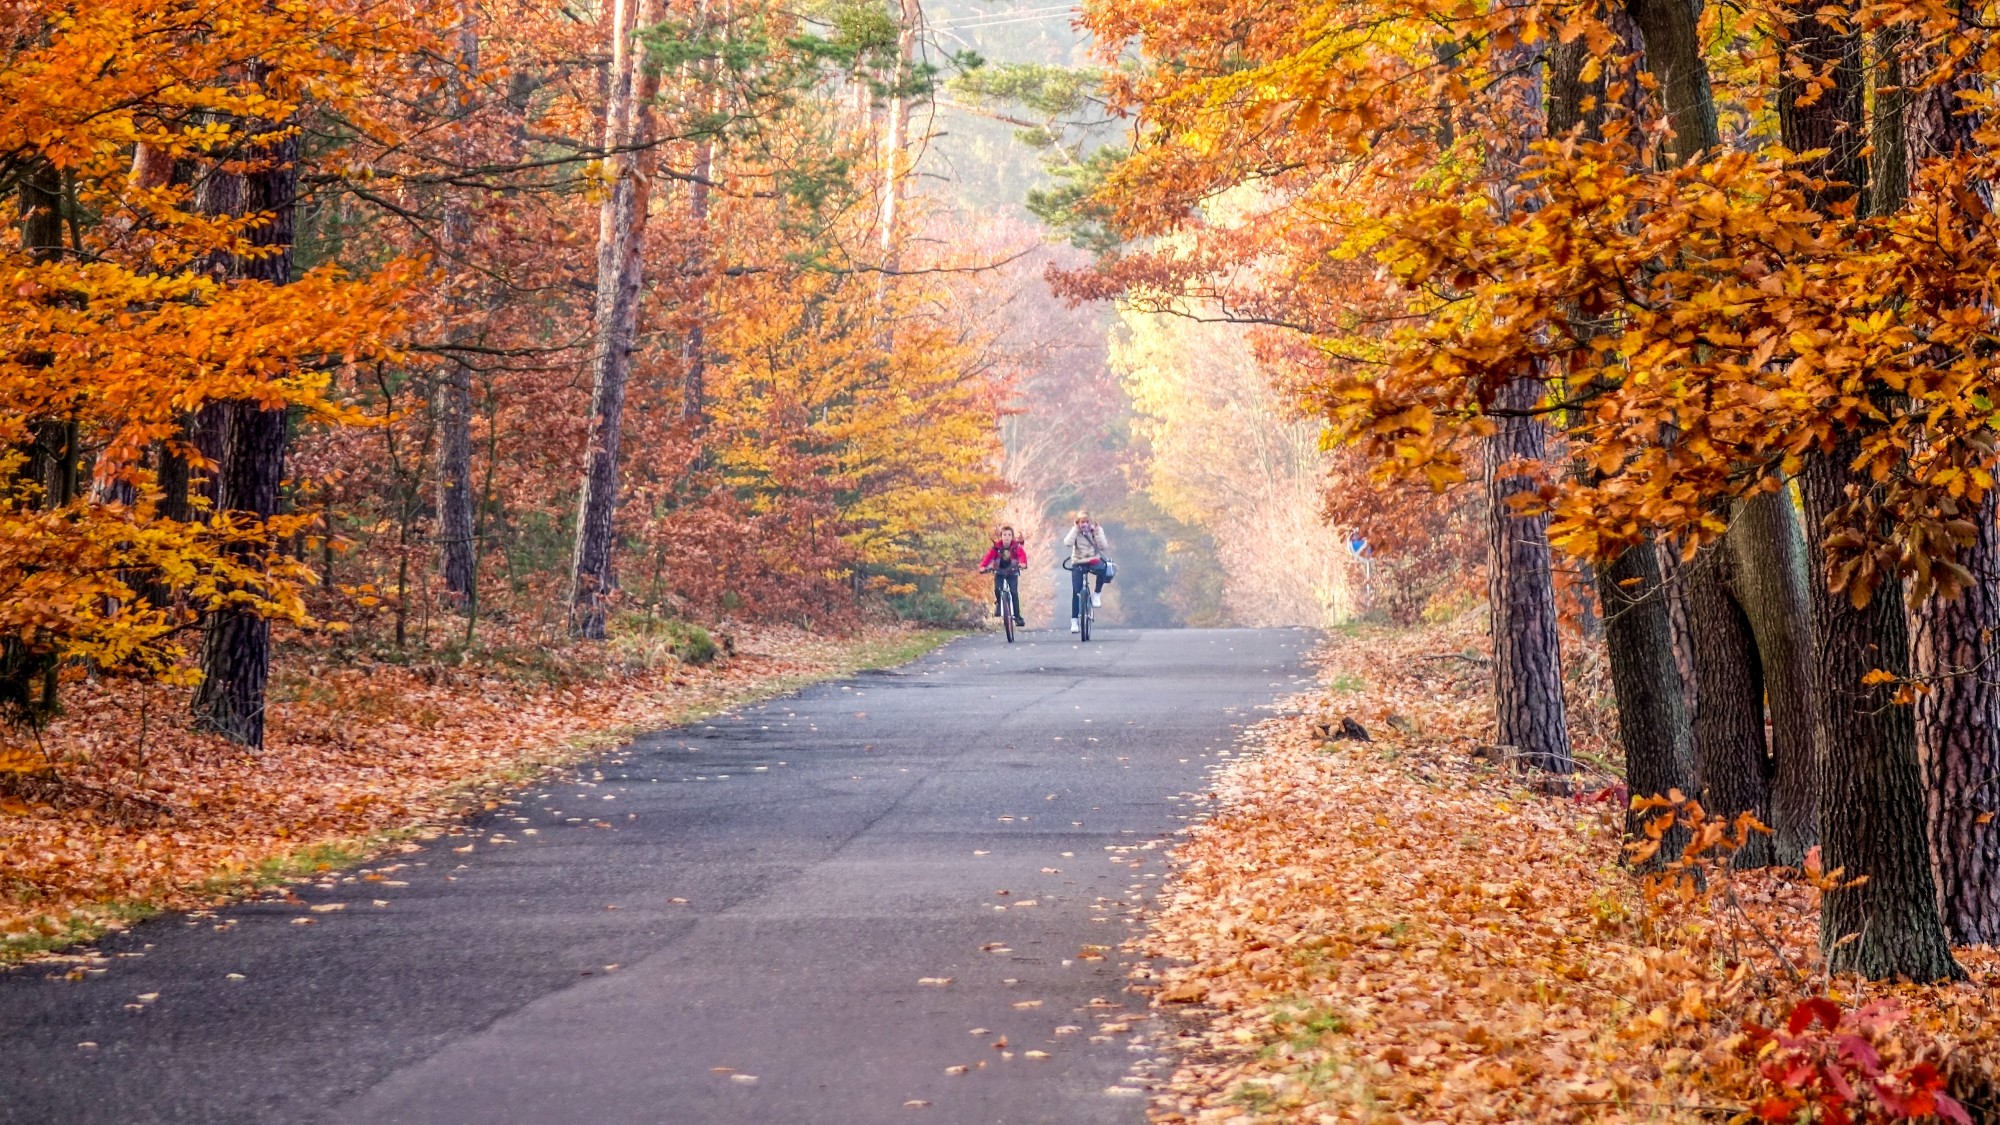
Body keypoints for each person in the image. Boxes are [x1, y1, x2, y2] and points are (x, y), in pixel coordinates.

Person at [1062, 510, 1112, 634]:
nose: (1084, 524)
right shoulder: (1076, 531)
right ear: (1078, 522)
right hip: (1078, 561)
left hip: (1093, 560)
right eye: (1082, 522)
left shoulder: (1097, 530)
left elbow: (1103, 547)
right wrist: (1075, 529)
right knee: (1076, 591)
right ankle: (1074, 621)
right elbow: (1067, 543)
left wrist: (1096, 532)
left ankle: (1097, 594)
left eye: (1087, 521)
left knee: (1102, 569)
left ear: (1091, 522)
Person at [978, 526, 1028, 626]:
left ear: (1012, 537)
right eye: (1004, 535)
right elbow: (989, 557)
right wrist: (983, 566)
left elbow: (1022, 556)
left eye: (1009, 535)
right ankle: (999, 605)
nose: (1007, 537)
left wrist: (1023, 563)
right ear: (1001, 536)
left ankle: (1017, 616)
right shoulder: (996, 547)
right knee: (997, 589)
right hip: (999, 571)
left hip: (1012, 571)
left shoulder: (1016, 547)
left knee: (1014, 592)